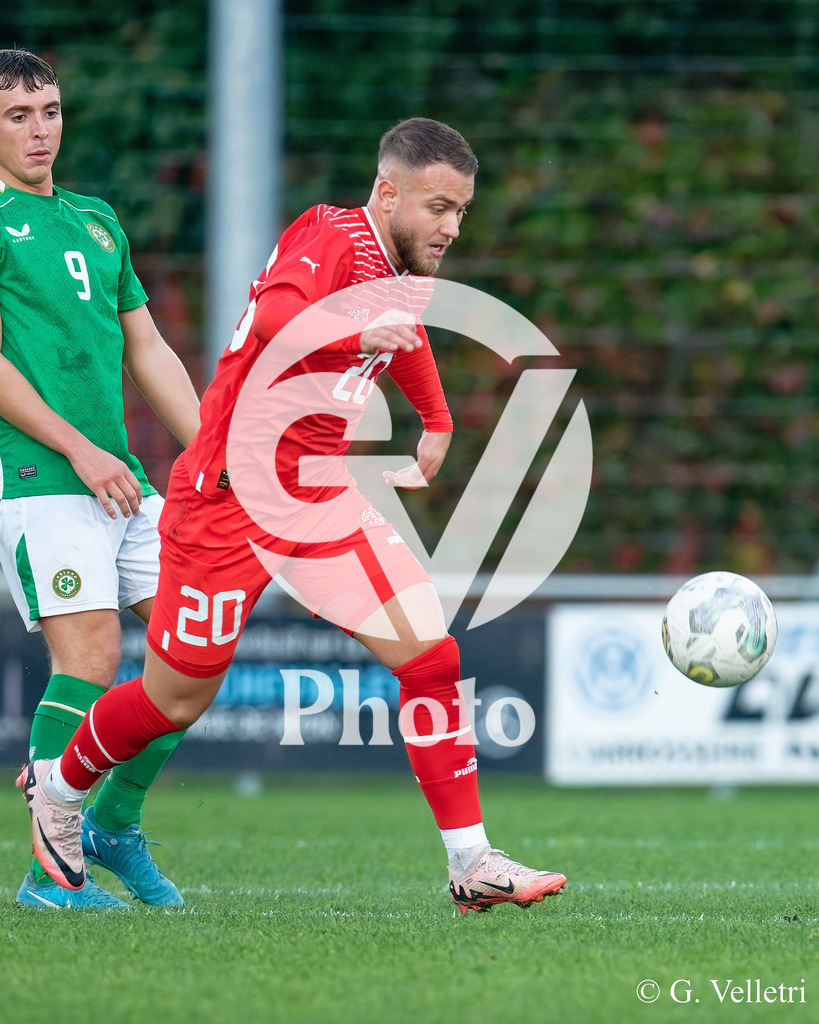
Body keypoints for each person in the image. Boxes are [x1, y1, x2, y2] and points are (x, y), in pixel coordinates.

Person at [18, 116, 567, 914]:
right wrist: (353, 327)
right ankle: (60, 792)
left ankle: (471, 861)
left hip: (316, 499)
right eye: (438, 207)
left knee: (431, 657)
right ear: (387, 192)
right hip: (226, 497)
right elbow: (279, 314)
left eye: (461, 212)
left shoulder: (399, 264)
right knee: (176, 698)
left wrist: (437, 420)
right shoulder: (331, 233)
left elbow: (402, 332)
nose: (450, 227)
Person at [0, 48, 200, 909]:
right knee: (90, 658)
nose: (39, 129)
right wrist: (80, 448)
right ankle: (51, 873)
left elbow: (147, 348)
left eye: (48, 110)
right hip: (40, 474)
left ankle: (113, 824)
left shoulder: (96, 220)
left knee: (192, 657)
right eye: (17, 116)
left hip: (124, 482)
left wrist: (209, 456)